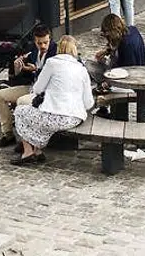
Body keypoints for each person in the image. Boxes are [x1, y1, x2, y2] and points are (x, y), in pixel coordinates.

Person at [11, 36, 93, 166]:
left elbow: (37, 89)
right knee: (40, 111)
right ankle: (37, 152)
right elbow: (89, 103)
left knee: (20, 111)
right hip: (75, 118)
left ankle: (28, 152)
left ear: (59, 48)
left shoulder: (52, 63)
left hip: (56, 117)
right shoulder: (82, 69)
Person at [0, 24, 56, 148]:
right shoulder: (31, 50)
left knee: (22, 102)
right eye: (39, 43)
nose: (42, 46)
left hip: (47, 92)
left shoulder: (55, 51)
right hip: (32, 87)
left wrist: (36, 70)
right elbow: (20, 78)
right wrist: (18, 69)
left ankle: (26, 141)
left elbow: (54, 77)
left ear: (50, 39)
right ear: (35, 41)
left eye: (45, 42)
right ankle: (8, 134)